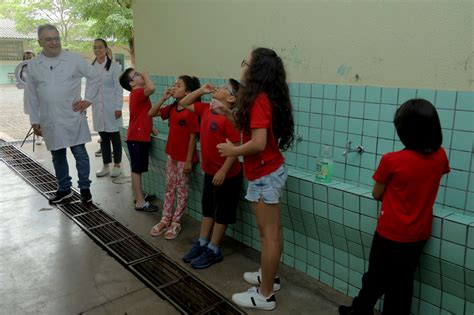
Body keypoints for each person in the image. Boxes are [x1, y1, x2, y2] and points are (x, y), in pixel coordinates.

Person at [338, 99, 450, 315]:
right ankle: (363, 309)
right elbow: (429, 179)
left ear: (405, 131)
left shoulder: (392, 160)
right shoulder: (440, 156)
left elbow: (376, 193)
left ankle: (359, 310)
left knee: (375, 277)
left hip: (391, 233)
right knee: (402, 283)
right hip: (419, 233)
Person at [216, 48, 295, 310]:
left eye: (245, 62)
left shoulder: (259, 99)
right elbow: (249, 128)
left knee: (269, 235)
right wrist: (227, 113)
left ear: (255, 70)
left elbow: (259, 143)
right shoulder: (261, 98)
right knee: (274, 232)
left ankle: (265, 295)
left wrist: (233, 151)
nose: (242, 66)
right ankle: (269, 276)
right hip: (267, 171)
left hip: (265, 174)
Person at [26, 24, 100, 204]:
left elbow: (95, 76)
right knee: (58, 156)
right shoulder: (34, 65)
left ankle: (85, 189)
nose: (54, 42)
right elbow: (30, 94)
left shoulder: (73, 59)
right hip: (49, 118)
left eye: (56, 38)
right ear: (40, 42)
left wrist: (88, 99)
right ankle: (64, 189)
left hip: (72, 116)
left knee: (80, 154)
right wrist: (34, 120)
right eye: (49, 39)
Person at [175, 79, 243, 269]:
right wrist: (201, 90)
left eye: (223, 88)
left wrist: (223, 170)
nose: (217, 88)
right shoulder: (206, 109)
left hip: (227, 175)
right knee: (208, 210)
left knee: (222, 214)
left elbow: (235, 147)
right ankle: (203, 242)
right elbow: (184, 103)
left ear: (231, 98)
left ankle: (214, 249)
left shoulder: (230, 119)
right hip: (210, 172)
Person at [148, 76, 200, 240]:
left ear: (188, 92)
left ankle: (176, 222)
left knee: (181, 189)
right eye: (174, 85)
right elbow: (151, 113)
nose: (174, 87)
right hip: (172, 155)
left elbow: (193, 137)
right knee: (169, 187)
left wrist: (188, 160)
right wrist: (164, 97)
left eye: (179, 86)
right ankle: (165, 219)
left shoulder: (191, 111)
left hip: (184, 158)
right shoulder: (172, 107)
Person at [119, 68, 158, 212]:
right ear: (132, 83)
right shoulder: (137, 93)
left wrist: (151, 128)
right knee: (136, 170)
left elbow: (144, 114)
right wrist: (147, 74)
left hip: (140, 135)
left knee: (139, 169)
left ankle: (140, 195)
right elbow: (152, 88)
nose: (140, 74)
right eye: (136, 75)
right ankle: (140, 201)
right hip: (136, 137)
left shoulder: (139, 95)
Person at [90, 39, 123, 178]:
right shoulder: (91, 67)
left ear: (105, 48)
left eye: (100, 47)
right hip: (98, 108)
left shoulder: (114, 67)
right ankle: (105, 166)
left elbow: (118, 89)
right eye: (95, 48)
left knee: (114, 137)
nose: (98, 50)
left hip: (112, 108)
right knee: (103, 138)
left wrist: (118, 107)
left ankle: (117, 165)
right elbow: (90, 89)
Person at [17, 50, 44, 145]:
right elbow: (19, 83)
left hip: (40, 93)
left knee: (42, 113)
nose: (29, 59)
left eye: (30, 57)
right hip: (28, 94)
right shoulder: (21, 68)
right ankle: (38, 137)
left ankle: (44, 133)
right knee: (33, 114)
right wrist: (22, 84)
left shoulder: (39, 67)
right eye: (26, 57)